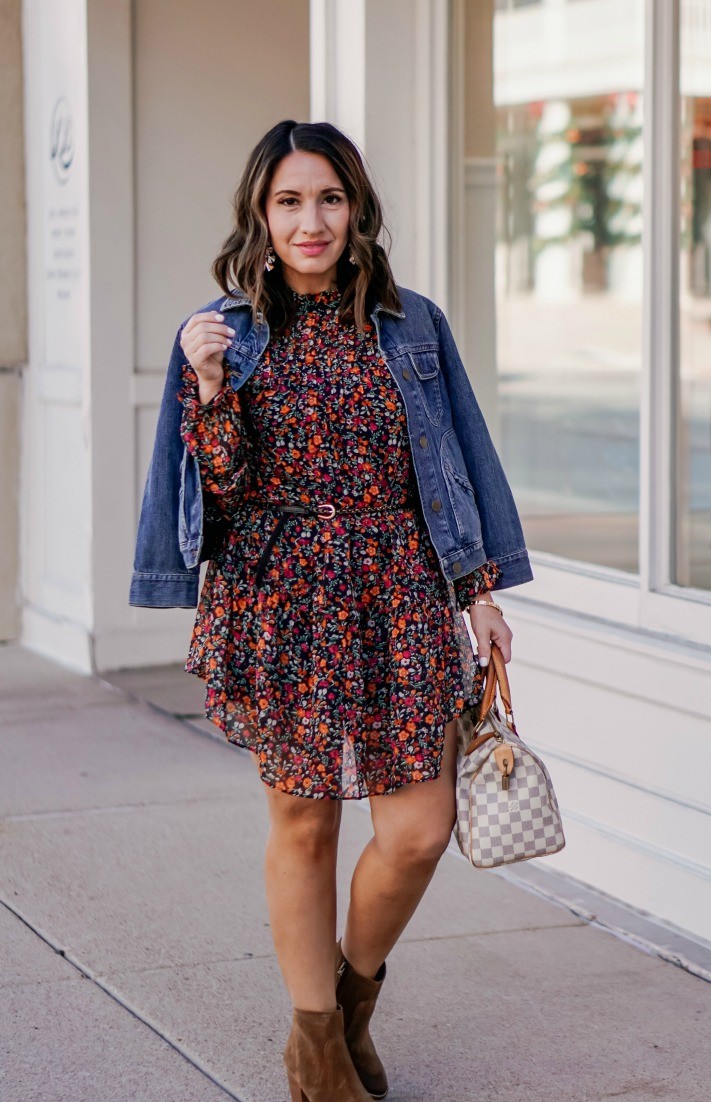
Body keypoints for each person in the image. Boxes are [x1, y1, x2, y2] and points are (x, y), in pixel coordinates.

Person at [130, 119, 532, 1102]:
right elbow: (216, 493)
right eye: (289, 202)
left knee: (419, 829)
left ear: (357, 211)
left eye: (329, 199)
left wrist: (478, 591)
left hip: (399, 589)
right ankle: (317, 1046)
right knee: (305, 826)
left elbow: (459, 464)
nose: (311, 221)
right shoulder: (221, 331)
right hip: (284, 599)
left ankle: (350, 997)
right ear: (260, 218)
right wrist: (211, 383)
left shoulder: (413, 324)